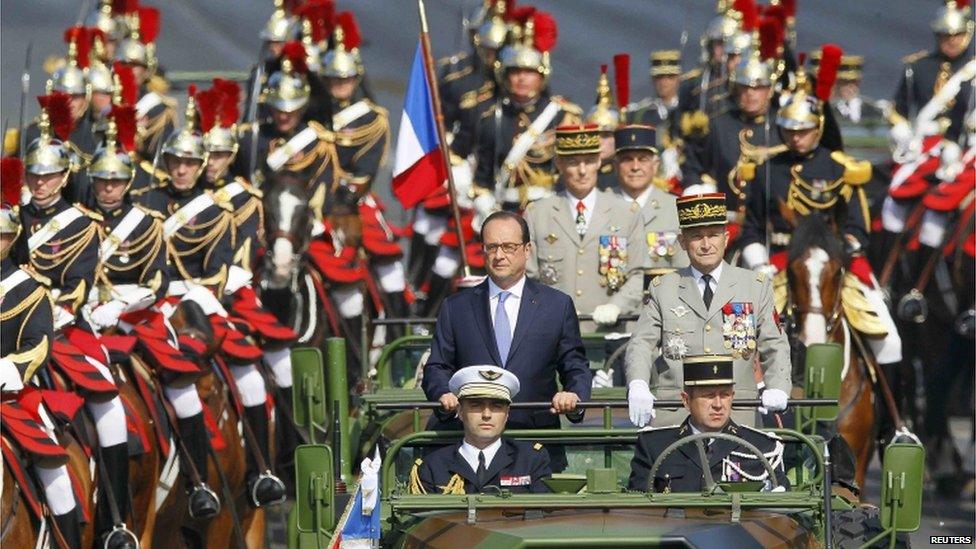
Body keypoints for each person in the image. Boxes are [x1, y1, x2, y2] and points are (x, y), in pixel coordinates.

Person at [138, 92, 287, 508]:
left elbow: (216, 273)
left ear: (201, 166)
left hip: (196, 302)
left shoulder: (216, 213)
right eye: (175, 162)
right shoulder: (146, 203)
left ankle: (262, 471)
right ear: (166, 163)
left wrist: (177, 290)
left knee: (252, 379)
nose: (181, 170)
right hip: (146, 303)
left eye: (189, 163)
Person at [738, 67, 903, 407]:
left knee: (889, 337)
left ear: (819, 128)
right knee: (742, 331)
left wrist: (842, 253)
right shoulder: (768, 169)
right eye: (789, 130)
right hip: (780, 260)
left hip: (836, 262)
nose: (796, 138)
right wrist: (759, 264)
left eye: (804, 130)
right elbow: (752, 226)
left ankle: (892, 421)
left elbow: (858, 227)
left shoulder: (840, 168)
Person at [87, 110, 222, 519]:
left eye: (115, 182)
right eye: (101, 182)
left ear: (127, 183)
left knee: (180, 385)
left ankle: (198, 481)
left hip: (138, 312)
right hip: (86, 316)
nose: (108, 189)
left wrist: (122, 305)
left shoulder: (146, 223)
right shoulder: (80, 223)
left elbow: (158, 282)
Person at [14, 101, 137, 547]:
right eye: (34, 175)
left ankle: (117, 519)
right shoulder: (12, 220)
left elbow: (78, 288)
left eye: (48, 176)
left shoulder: (83, 226)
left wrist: (43, 318)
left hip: (65, 329)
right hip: (12, 333)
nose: (40, 183)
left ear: (65, 177)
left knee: (110, 411)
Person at [422, 210, 592, 469]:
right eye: (492, 247)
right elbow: (437, 366)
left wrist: (574, 396)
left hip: (535, 442)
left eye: (509, 247)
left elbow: (575, 364)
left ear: (527, 249)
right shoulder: (457, 307)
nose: (499, 255)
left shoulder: (556, 305)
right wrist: (443, 395)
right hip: (471, 443)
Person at [625, 193, 791, 428]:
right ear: (682, 242)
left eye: (713, 235)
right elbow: (641, 343)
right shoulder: (664, 288)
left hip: (737, 412)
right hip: (677, 413)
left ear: (725, 238)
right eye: (696, 237)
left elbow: (775, 344)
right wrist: (638, 383)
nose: (706, 245)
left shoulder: (754, 286)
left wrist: (778, 386)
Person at [0, 157, 83, 549]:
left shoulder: (29, 290)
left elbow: (39, 347)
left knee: (57, 476)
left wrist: (4, 370)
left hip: (10, 395)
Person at [524, 124, 647, 332]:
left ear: (599, 160)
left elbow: (639, 274)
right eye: (573, 162)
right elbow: (528, 277)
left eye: (589, 161)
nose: (582, 171)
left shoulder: (627, 213)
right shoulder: (538, 214)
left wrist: (616, 306)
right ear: (559, 163)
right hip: (554, 332)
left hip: (611, 331)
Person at [471, 7, 582, 214]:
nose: (521, 78)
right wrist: (484, 203)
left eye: (529, 72)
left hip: (550, 211)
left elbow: (575, 171)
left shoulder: (562, 115)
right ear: (505, 75)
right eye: (515, 72)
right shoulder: (492, 117)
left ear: (541, 76)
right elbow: (482, 178)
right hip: (505, 211)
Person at [627, 354, 787, 493]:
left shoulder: (762, 448)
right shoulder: (655, 446)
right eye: (708, 396)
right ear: (686, 400)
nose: (718, 404)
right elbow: (639, 508)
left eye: (724, 395)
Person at [681, 38, 784, 223]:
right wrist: (698, 190)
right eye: (744, 88)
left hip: (774, 222)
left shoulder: (783, 126)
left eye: (758, 88)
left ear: (769, 90)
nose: (751, 94)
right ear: (734, 89)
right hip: (727, 221)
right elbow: (692, 166)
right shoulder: (717, 124)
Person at [411, 365, 552, 494]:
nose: (486, 415)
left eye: (497, 406)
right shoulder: (433, 466)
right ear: (460, 411)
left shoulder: (531, 460)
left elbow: (544, 516)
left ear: (507, 413)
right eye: (476, 406)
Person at [612, 124, 688, 282]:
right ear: (615, 165)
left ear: (655, 165)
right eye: (627, 160)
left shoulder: (675, 209)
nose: (635, 167)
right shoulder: (601, 206)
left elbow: (685, 271)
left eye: (643, 159)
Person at [892, 0, 973, 136]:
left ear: (966, 34)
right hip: (924, 143)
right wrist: (901, 128)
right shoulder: (917, 68)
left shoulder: (972, 69)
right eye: (945, 35)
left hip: (966, 146)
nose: (951, 41)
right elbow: (900, 109)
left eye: (957, 35)